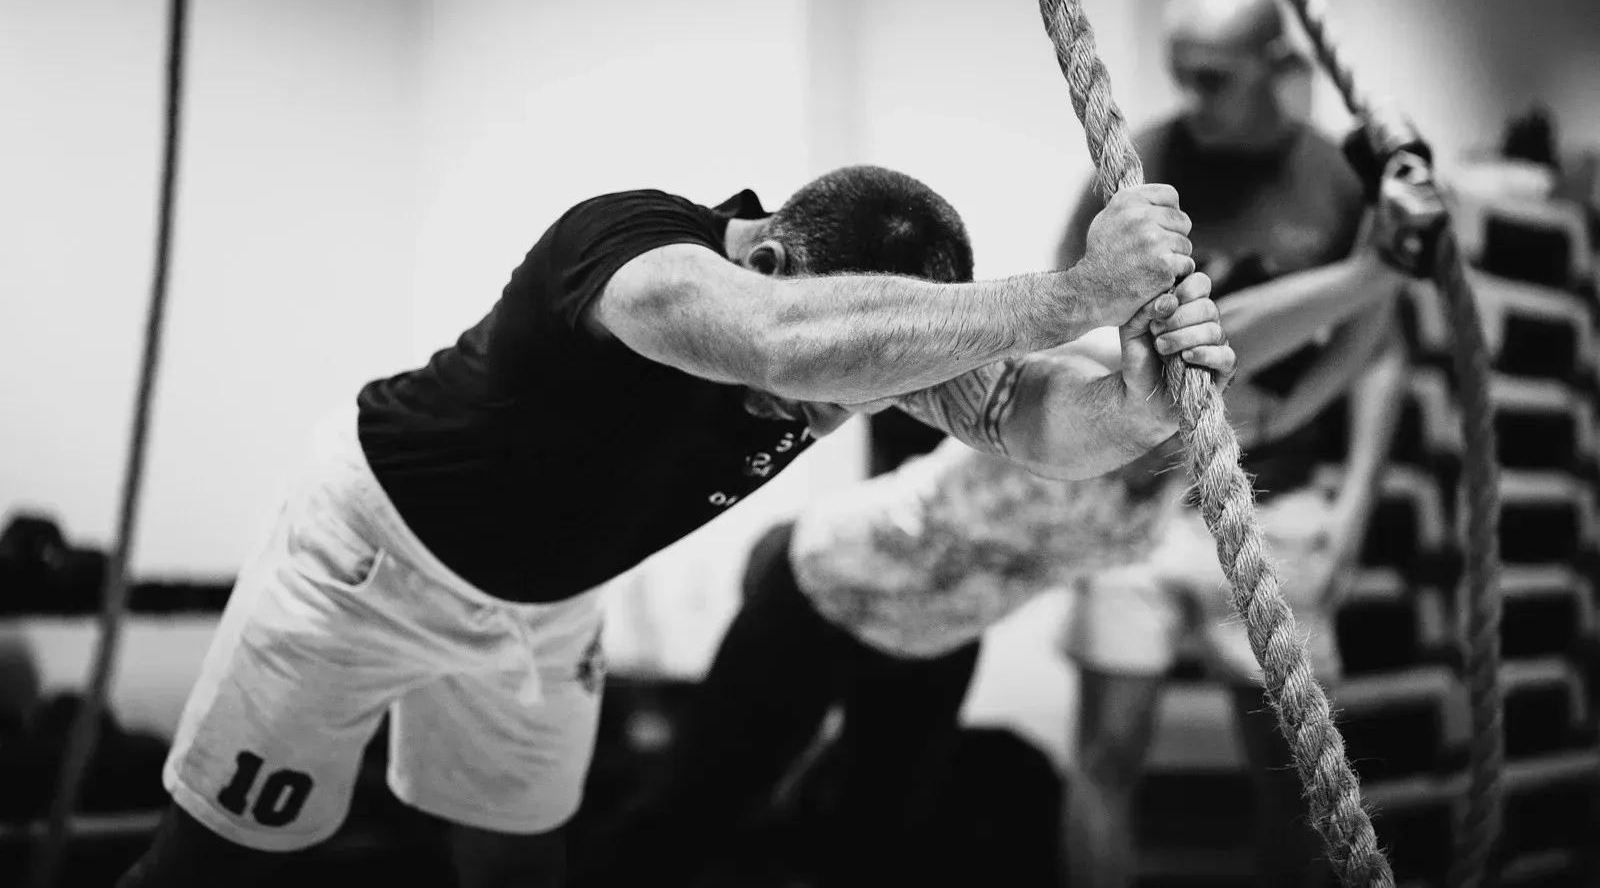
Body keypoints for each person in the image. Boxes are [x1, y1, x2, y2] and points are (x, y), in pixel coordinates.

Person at [115, 164, 1230, 888]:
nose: (836, 408)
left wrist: (1134, 403)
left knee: (519, 866)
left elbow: (1034, 422)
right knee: (214, 863)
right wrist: (1076, 290)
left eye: (865, 389)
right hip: (368, 555)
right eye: (842, 381)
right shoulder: (631, 252)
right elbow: (784, 344)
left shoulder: (861, 344)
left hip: (543, 605)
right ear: (770, 258)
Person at [568, 240, 1408, 888]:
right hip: (827, 588)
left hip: (938, 634)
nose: (1256, 406)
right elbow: (1245, 334)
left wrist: (1388, 271)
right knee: (697, 806)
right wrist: (1362, 270)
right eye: (1240, 382)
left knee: (876, 850)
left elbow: (1312, 387)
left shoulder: (1190, 454)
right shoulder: (1092, 384)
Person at [1055, 0, 1409, 888]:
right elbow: (1077, 319)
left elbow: (1379, 353)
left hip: (1281, 508)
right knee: (1105, 752)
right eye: (1181, 74)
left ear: (1274, 65)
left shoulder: (1330, 177)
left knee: (1295, 783)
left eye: (1213, 77)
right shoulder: (1138, 169)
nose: (1192, 99)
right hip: (1142, 507)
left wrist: (1354, 507)